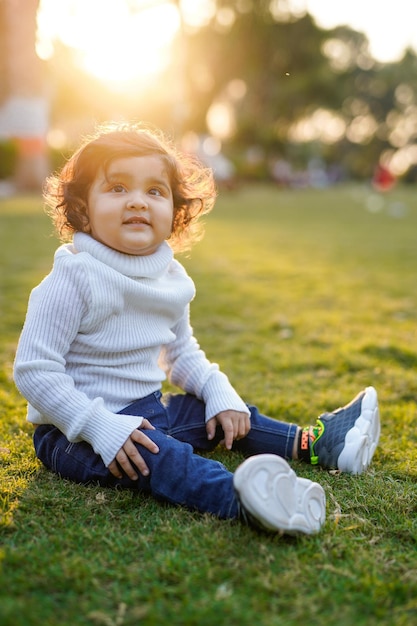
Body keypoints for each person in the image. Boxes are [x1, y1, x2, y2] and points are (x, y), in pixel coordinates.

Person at [14, 122, 380, 536]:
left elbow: (181, 353)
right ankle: (247, 500)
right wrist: (98, 427)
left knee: (218, 413)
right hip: (73, 432)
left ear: (175, 212)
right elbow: (34, 371)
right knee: (166, 459)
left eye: (154, 191)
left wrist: (217, 390)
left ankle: (316, 444)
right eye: (117, 188)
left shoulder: (170, 275)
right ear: (82, 208)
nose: (137, 201)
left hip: (148, 411)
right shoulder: (73, 277)